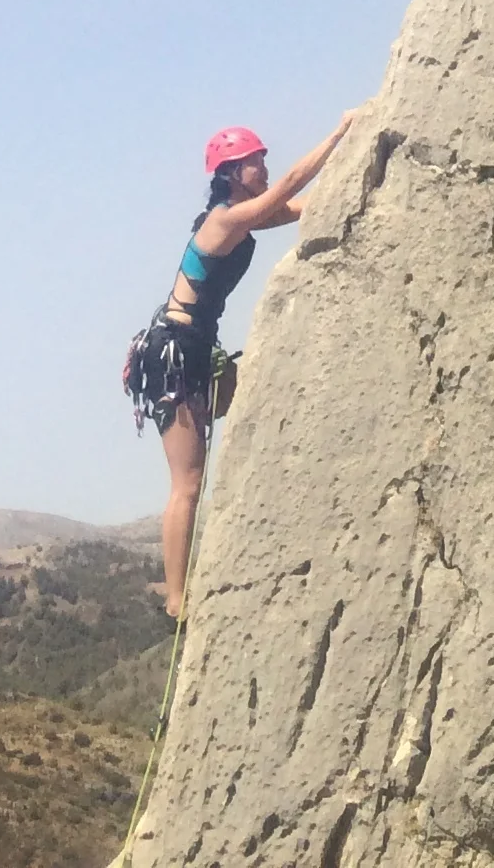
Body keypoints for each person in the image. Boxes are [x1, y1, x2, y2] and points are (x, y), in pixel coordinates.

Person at [124, 115, 353, 618]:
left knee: (251, 400)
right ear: (232, 172)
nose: (265, 167)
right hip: (175, 353)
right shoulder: (224, 221)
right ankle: (176, 599)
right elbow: (290, 188)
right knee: (188, 481)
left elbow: (298, 205)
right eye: (256, 161)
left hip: (198, 347)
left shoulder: (242, 217)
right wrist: (340, 135)